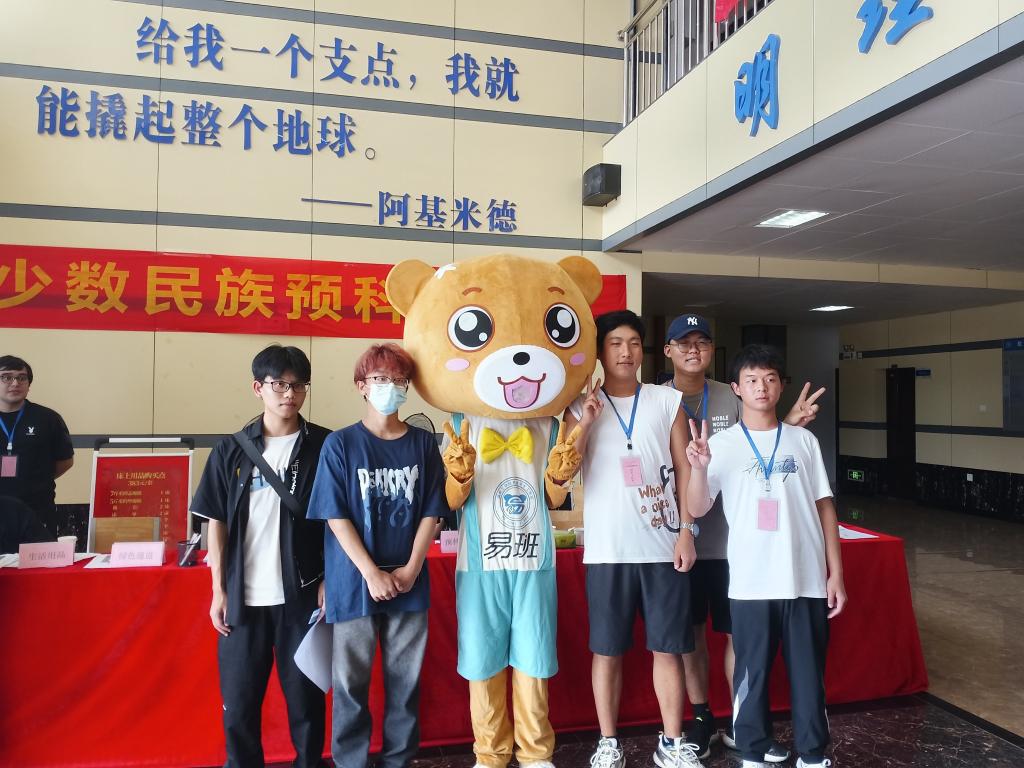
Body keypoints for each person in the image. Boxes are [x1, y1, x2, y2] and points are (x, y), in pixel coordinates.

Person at [662, 315, 823, 760]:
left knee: (742, 638)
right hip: (683, 541)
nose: (693, 350)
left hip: (737, 547)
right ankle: (702, 718)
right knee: (692, 634)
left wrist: (791, 424)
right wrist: (684, 531)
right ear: (668, 350)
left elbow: (760, 440)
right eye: (684, 343)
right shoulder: (657, 399)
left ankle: (742, 725)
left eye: (702, 342)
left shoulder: (728, 392)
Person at [685, 344, 846, 768]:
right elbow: (697, 507)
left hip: (805, 579)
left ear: (780, 386)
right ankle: (753, 751)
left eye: (770, 379)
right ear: (736, 388)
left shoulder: (803, 441)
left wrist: (836, 573)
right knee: (751, 673)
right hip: (751, 582)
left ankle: (812, 753)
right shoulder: (720, 445)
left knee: (808, 673)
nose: (762, 387)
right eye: (752, 380)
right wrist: (698, 467)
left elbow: (825, 506)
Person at [564, 310, 701, 768]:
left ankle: (672, 742)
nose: (626, 352)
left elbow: (685, 469)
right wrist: (585, 420)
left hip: (663, 547)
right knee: (606, 650)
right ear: (600, 352)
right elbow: (564, 470)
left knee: (669, 648)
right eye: (616, 343)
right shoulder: (580, 406)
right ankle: (608, 742)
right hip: (608, 550)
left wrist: (686, 531)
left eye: (634, 343)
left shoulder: (666, 400)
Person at [307, 343, 446, 768]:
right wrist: (370, 573)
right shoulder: (340, 444)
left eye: (399, 380)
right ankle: (350, 762)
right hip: (354, 583)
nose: (391, 387)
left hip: (409, 582)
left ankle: (398, 760)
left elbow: (433, 510)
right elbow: (335, 516)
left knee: (405, 684)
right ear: (361, 386)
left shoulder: (423, 444)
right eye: (381, 379)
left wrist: (412, 568)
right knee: (350, 685)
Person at [191, 345, 329, 768]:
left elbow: (338, 520)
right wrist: (218, 591)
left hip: (302, 596)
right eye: (280, 384)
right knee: (239, 704)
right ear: (258, 388)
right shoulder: (230, 450)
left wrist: (329, 578)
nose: (290, 394)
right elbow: (216, 521)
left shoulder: (325, 445)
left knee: (306, 703)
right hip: (243, 598)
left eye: (299, 385)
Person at [0, 356, 74, 538]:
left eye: (21, 378)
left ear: (29, 384)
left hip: (37, 510)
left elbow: (65, 461)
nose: (15, 383)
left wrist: (35, 481)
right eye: (6, 377)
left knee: (39, 556)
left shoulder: (48, 419)